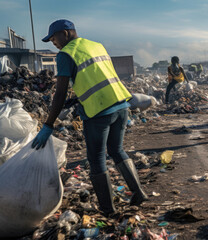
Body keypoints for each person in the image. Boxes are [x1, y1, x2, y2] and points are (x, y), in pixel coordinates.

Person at [32, 19, 148, 217]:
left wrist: (48, 125)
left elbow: (59, 94)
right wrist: (76, 98)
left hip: (99, 113)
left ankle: (107, 210)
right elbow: (98, 77)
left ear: (66, 33)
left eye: (54, 38)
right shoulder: (96, 45)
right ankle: (139, 193)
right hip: (121, 105)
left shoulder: (66, 54)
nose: (53, 42)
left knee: (96, 159)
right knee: (117, 150)